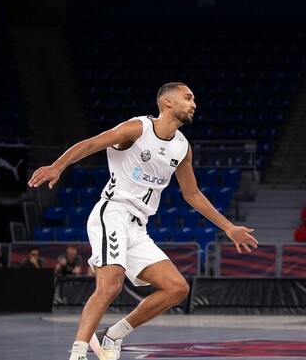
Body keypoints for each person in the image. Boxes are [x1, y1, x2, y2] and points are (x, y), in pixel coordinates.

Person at [28, 82, 258, 360]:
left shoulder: (183, 147)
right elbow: (92, 143)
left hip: (138, 226)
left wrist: (228, 227)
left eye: (194, 99)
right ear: (168, 103)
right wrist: (58, 165)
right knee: (110, 285)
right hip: (112, 212)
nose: (194, 104)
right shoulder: (137, 128)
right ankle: (77, 354)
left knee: (177, 288)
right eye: (188, 98)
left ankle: (113, 335)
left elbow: (192, 193)